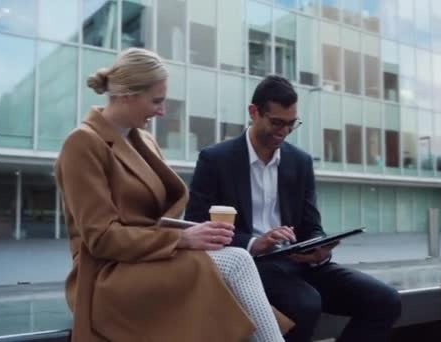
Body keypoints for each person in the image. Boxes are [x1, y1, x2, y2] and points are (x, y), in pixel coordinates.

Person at [54, 48, 292, 342]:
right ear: (127, 94)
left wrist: (196, 231)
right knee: (236, 262)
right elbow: (101, 239)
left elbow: (151, 219)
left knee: (233, 262)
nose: (162, 111)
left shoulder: (143, 140)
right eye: (157, 100)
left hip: (147, 258)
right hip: (107, 273)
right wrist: (182, 239)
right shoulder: (82, 143)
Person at [185, 75, 402, 342]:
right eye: (276, 123)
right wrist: (255, 243)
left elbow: (311, 225)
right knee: (305, 304)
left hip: (298, 263)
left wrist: (318, 250)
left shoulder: (300, 162)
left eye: (291, 124)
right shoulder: (215, 160)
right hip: (251, 267)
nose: (283, 132)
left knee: (385, 300)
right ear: (254, 112)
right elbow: (195, 223)